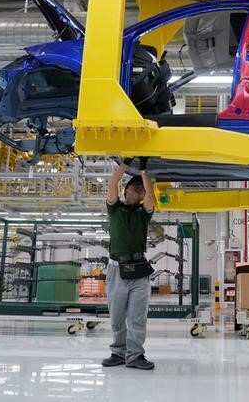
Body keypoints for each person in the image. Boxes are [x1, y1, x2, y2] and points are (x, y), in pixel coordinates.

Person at [101, 157, 156, 371]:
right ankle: (118, 352)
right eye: (137, 190)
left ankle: (135, 355)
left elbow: (151, 196)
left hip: (140, 272)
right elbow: (112, 183)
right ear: (127, 191)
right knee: (117, 316)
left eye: (142, 191)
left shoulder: (144, 214)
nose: (141, 193)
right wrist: (125, 163)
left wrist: (143, 170)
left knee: (137, 316)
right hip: (117, 269)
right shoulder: (114, 209)